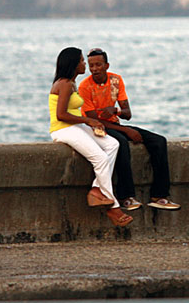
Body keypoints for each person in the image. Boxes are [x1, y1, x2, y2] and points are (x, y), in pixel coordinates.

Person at [80, 48, 180, 211]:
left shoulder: (116, 80)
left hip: (114, 124)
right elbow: (94, 120)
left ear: (107, 65)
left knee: (159, 141)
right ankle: (126, 196)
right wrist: (126, 131)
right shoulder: (85, 86)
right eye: (91, 66)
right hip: (96, 127)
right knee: (121, 143)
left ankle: (159, 196)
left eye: (98, 65)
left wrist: (116, 111)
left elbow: (127, 114)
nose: (94, 69)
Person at [49, 47, 132, 227]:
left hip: (75, 126)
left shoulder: (72, 83)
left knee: (112, 144)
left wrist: (88, 123)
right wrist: (88, 120)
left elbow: (72, 112)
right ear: (73, 64)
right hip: (63, 129)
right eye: (81, 61)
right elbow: (61, 115)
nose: (85, 64)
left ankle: (96, 190)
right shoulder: (64, 84)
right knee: (100, 158)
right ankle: (113, 207)